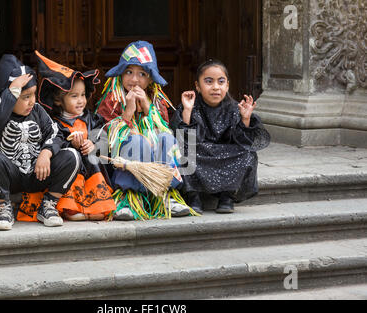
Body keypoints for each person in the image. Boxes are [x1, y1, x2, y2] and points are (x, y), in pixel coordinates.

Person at [96, 40, 198, 220]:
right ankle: (129, 198)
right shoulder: (112, 99)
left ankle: (166, 195)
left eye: (141, 74)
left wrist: (148, 108)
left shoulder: (157, 100)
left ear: (150, 78)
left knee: (167, 139)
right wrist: (128, 112)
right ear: (120, 74)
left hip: (154, 161)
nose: (134, 79)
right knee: (137, 142)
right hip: (122, 158)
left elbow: (163, 128)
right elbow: (105, 138)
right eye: (128, 72)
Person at [0, 54, 80, 231]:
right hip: (11, 178)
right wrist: (11, 92)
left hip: (39, 173)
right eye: (25, 96)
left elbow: (56, 133)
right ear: (7, 96)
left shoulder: (37, 110)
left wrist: (46, 152)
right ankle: (3, 208)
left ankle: (49, 204)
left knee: (72, 155)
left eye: (33, 95)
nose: (32, 101)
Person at [21, 50, 116, 222]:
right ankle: (70, 208)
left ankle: (93, 207)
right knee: (71, 163)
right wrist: (71, 145)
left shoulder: (92, 119)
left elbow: (103, 138)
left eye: (82, 95)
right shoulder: (53, 123)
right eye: (74, 96)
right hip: (68, 171)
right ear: (58, 100)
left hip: (89, 168)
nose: (81, 100)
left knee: (91, 165)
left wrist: (93, 145)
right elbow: (51, 144)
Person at [171, 59, 270, 214]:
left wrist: (245, 119)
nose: (215, 87)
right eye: (208, 82)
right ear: (198, 86)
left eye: (221, 82)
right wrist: (187, 112)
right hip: (200, 153)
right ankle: (193, 196)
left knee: (248, 153)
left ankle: (227, 196)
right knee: (183, 149)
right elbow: (183, 138)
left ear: (227, 85)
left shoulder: (234, 108)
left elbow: (242, 141)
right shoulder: (190, 107)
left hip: (225, 156)